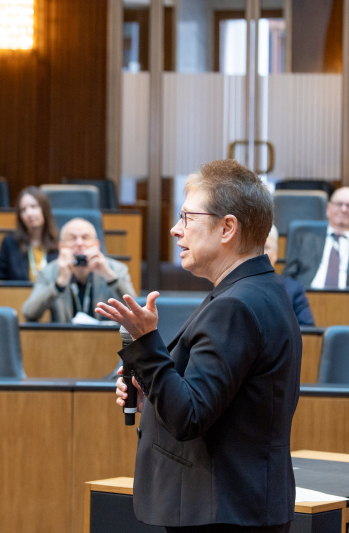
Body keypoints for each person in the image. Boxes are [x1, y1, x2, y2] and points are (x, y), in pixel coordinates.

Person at [98, 160, 301, 532]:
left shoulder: (235, 306)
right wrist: (154, 394)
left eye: (187, 218)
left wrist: (145, 343)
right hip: (239, 505)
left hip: (222, 510)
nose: (176, 230)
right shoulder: (260, 290)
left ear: (227, 227)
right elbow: (220, 404)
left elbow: (188, 417)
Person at [22, 217, 135, 322]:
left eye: (85, 238)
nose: (79, 243)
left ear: (97, 245)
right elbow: (29, 313)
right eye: (72, 238)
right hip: (65, 340)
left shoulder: (116, 269)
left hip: (105, 340)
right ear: (61, 246)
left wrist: (110, 277)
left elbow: (136, 311)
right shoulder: (48, 272)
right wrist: (59, 284)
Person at [282, 186, 349, 289]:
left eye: (348, 205)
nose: (344, 209)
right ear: (328, 208)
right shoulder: (305, 237)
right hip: (306, 297)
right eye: (339, 204)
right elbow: (288, 276)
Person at [0, 186, 59, 281]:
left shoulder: (59, 241)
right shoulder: (10, 243)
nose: (29, 213)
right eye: (23, 210)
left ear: (44, 209)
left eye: (34, 207)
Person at [266, 225, 315, 327]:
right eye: (255, 247)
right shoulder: (234, 285)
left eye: (266, 247)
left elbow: (308, 330)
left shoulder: (293, 289)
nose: (261, 253)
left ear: (276, 254)